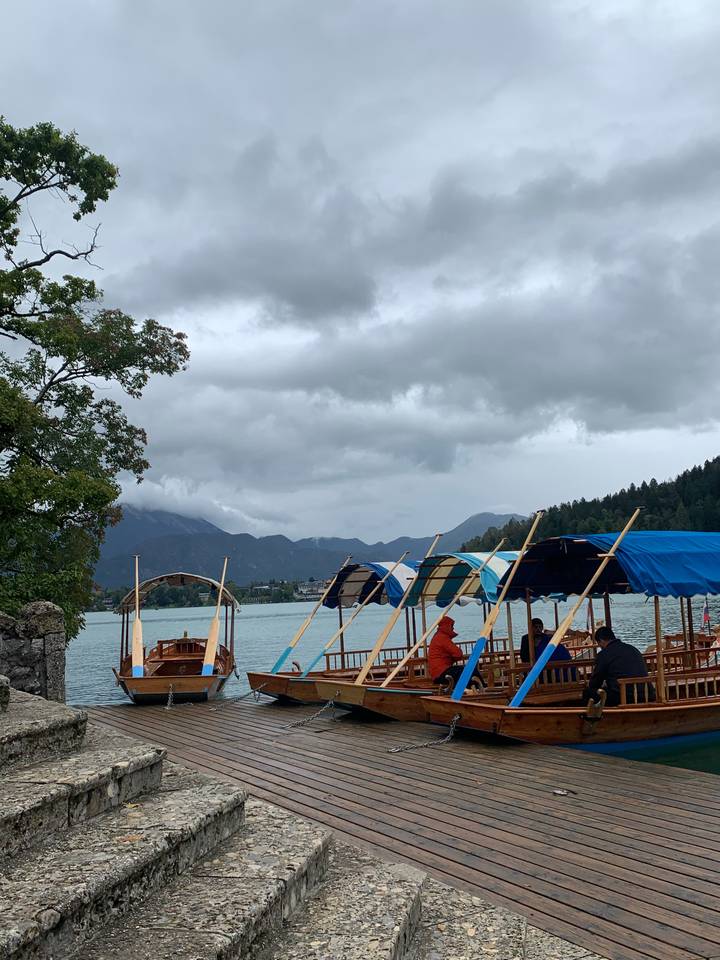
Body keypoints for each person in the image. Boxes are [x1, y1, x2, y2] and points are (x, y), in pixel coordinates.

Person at [582, 626, 655, 707]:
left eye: (599, 644)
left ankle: (592, 717)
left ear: (601, 641)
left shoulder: (604, 654)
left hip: (625, 696)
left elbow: (595, 682)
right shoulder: (632, 649)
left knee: (588, 692)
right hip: (647, 693)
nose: (600, 647)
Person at [428, 615, 483, 688]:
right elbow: (458, 653)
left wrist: (450, 658)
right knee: (470, 669)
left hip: (438, 673)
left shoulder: (437, 637)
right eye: (451, 626)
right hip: (442, 673)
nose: (453, 628)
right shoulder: (442, 638)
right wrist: (452, 658)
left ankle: (474, 687)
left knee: (464, 671)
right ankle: (482, 687)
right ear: (447, 626)